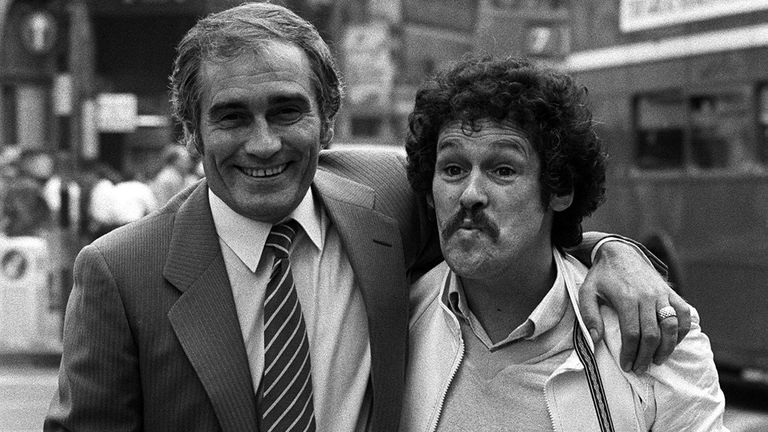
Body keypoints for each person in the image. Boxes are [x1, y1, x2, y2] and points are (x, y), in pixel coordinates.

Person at [45, 4, 689, 432]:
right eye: (232, 116)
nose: (264, 143)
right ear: (191, 131)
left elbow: (510, 224)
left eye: (287, 111)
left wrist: (615, 254)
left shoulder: (387, 195)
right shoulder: (119, 271)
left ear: (329, 119)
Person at [400, 56, 726, 431]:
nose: (470, 194)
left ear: (560, 189)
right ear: (429, 189)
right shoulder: (395, 320)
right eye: (453, 169)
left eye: (503, 170)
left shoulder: (650, 338)